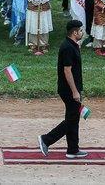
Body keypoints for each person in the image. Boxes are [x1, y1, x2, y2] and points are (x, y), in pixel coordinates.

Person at [38, 20, 88, 159]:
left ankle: (73, 149)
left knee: (73, 118)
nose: (82, 33)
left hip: (71, 88)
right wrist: (75, 91)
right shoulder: (67, 47)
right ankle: (46, 139)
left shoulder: (72, 45)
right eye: (80, 31)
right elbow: (67, 71)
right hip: (69, 90)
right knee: (72, 120)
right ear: (74, 32)